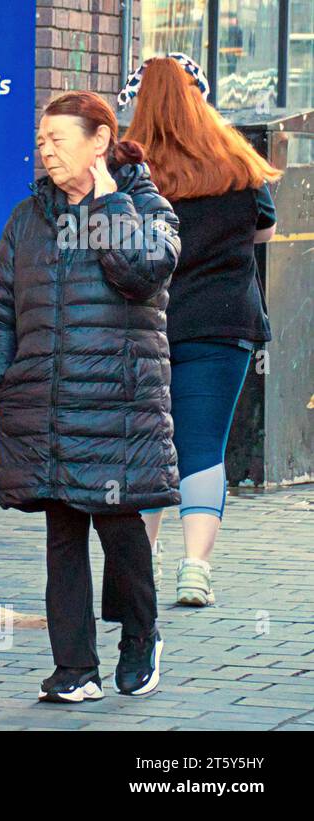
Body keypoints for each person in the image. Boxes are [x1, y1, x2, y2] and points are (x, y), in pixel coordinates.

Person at [0, 91, 181, 703]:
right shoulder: (27, 218)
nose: (45, 150)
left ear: (99, 142)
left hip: (117, 407)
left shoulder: (145, 208)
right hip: (45, 405)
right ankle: (74, 669)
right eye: (41, 140)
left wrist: (106, 202)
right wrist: (0, 370)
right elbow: (0, 308)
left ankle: (141, 639)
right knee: (63, 535)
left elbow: (141, 273)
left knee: (119, 529)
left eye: (58, 139)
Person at [121, 55, 283, 607]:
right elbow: (263, 231)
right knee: (203, 448)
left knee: (146, 448)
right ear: (201, 97)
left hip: (146, 325)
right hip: (223, 324)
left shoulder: (126, 167)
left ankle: (142, 566)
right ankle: (196, 569)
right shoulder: (236, 159)